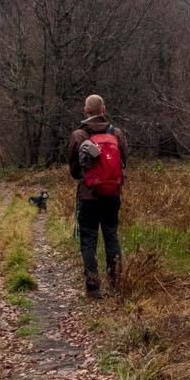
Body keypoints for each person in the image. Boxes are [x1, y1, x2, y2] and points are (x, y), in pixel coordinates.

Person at [67, 94, 129, 296]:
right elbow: (124, 162)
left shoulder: (78, 135)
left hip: (88, 196)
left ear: (86, 111)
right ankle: (116, 283)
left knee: (89, 240)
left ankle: (93, 287)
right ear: (103, 110)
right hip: (112, 195)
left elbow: (74, 171)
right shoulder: (117, 133)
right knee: (111, 236)